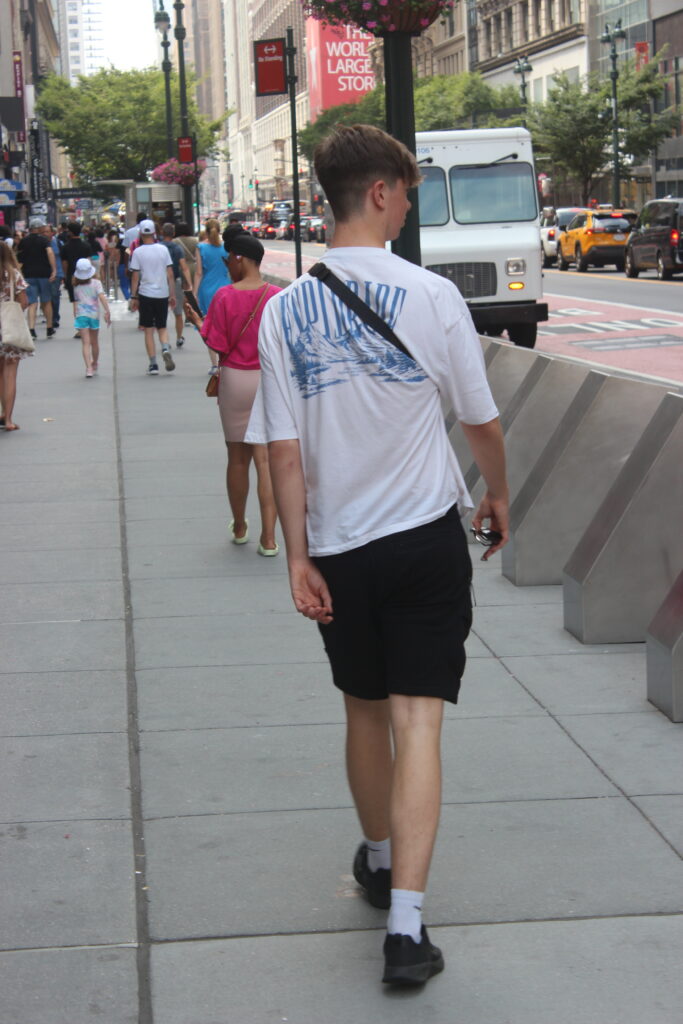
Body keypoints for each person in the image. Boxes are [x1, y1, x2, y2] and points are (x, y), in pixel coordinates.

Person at [247, 124, 509, 986]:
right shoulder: (430, 296)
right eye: (406, 191)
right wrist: (495, 493)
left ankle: (373, 855)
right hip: (425, 539)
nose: (406, 207)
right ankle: (406, 926)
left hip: (340, 547)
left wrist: (296, 557)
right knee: (417, 720)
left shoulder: (284, 309)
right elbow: (479, 420)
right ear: (383, 193)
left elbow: (281, 450)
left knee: (363, 712)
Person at [185, 229, 281, 553]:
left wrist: (198, 323)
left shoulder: (225, 296)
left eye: (228, 261)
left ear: (239, 258)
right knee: (266, 461)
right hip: (269, 380)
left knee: (237, 459)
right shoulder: (277, 296)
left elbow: (216, 342)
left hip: (237, 380)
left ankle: (240, 526)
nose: (227, 267)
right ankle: (269, 538)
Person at [129, 219, 176, 375]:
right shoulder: (163, 250)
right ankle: (165, 347)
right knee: (162, 326)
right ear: (155, 233)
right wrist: (172, 294)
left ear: (141, 234)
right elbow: (170, 274)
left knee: (148, 329)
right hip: (162, 293)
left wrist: (133, 297)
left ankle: (153, 364)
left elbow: (135, 277)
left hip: (146, 293)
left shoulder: (138, 252)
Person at [0, 240, 30, 431]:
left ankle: (1, 413)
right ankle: (9, 419)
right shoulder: (13, 274)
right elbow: (24, 301)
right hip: (8, 328)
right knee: (10, 374)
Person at [194, 218, 229, 375]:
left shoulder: (200, 247)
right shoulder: (226, 248)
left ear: (206, 232)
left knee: (209, 326)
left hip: (207, 289)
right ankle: (226, 360)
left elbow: (199, 272)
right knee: (226, 325)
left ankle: (214, 364)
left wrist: (194, 293)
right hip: (225, 287)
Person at [17, 217, 56, 340]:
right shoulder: (44, 240)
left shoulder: (24, 241)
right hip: (44, 274)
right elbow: (50, 252)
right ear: (39, 228)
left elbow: (19, 258)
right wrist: (54, 269)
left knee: (32, 303)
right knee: (47, 301)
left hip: (28, 274)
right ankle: (49, 328)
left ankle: (31, 329)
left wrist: (19, 274)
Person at [72, 257, 111, 378]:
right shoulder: (96, 283)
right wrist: (107, 310)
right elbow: (102, 297)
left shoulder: (76, 286)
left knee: (85, 343)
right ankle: (94, 363)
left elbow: (76, 303)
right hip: (94, 315)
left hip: (81, 315)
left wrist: (76, 316)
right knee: (94, 342)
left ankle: (88, 368)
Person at [160, 222, 192, 348]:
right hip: (176, 281)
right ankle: (179, 337)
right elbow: (184, 267)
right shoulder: (177, 248)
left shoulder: (158, 247)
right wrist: (189, 284)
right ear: (173, 233)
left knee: (162, 313)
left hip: (160, 282)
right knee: (178, 312)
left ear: (162, 233)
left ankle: (165, 341)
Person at [61, 222, 94, 338]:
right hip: (85, 276)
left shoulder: (65, 246)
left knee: (76, 302)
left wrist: (66, 276)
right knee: (86, 301)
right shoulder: (86, 245)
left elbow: (64, 263)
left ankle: (81, 328)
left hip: (72, 276)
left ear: (70, 232)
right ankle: (89, 324)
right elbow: (89, 261)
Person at [44, 224, 64, 329]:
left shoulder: (58, 243)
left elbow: (63, 258)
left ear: (52, 232)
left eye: (47, 231)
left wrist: (63, 274)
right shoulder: (42, 243)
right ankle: (49, 317)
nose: (45, 234)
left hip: (57, 273)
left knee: (54, 295)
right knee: (47, 297)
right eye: (44, 232)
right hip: (44, 273)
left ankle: (54, 317)